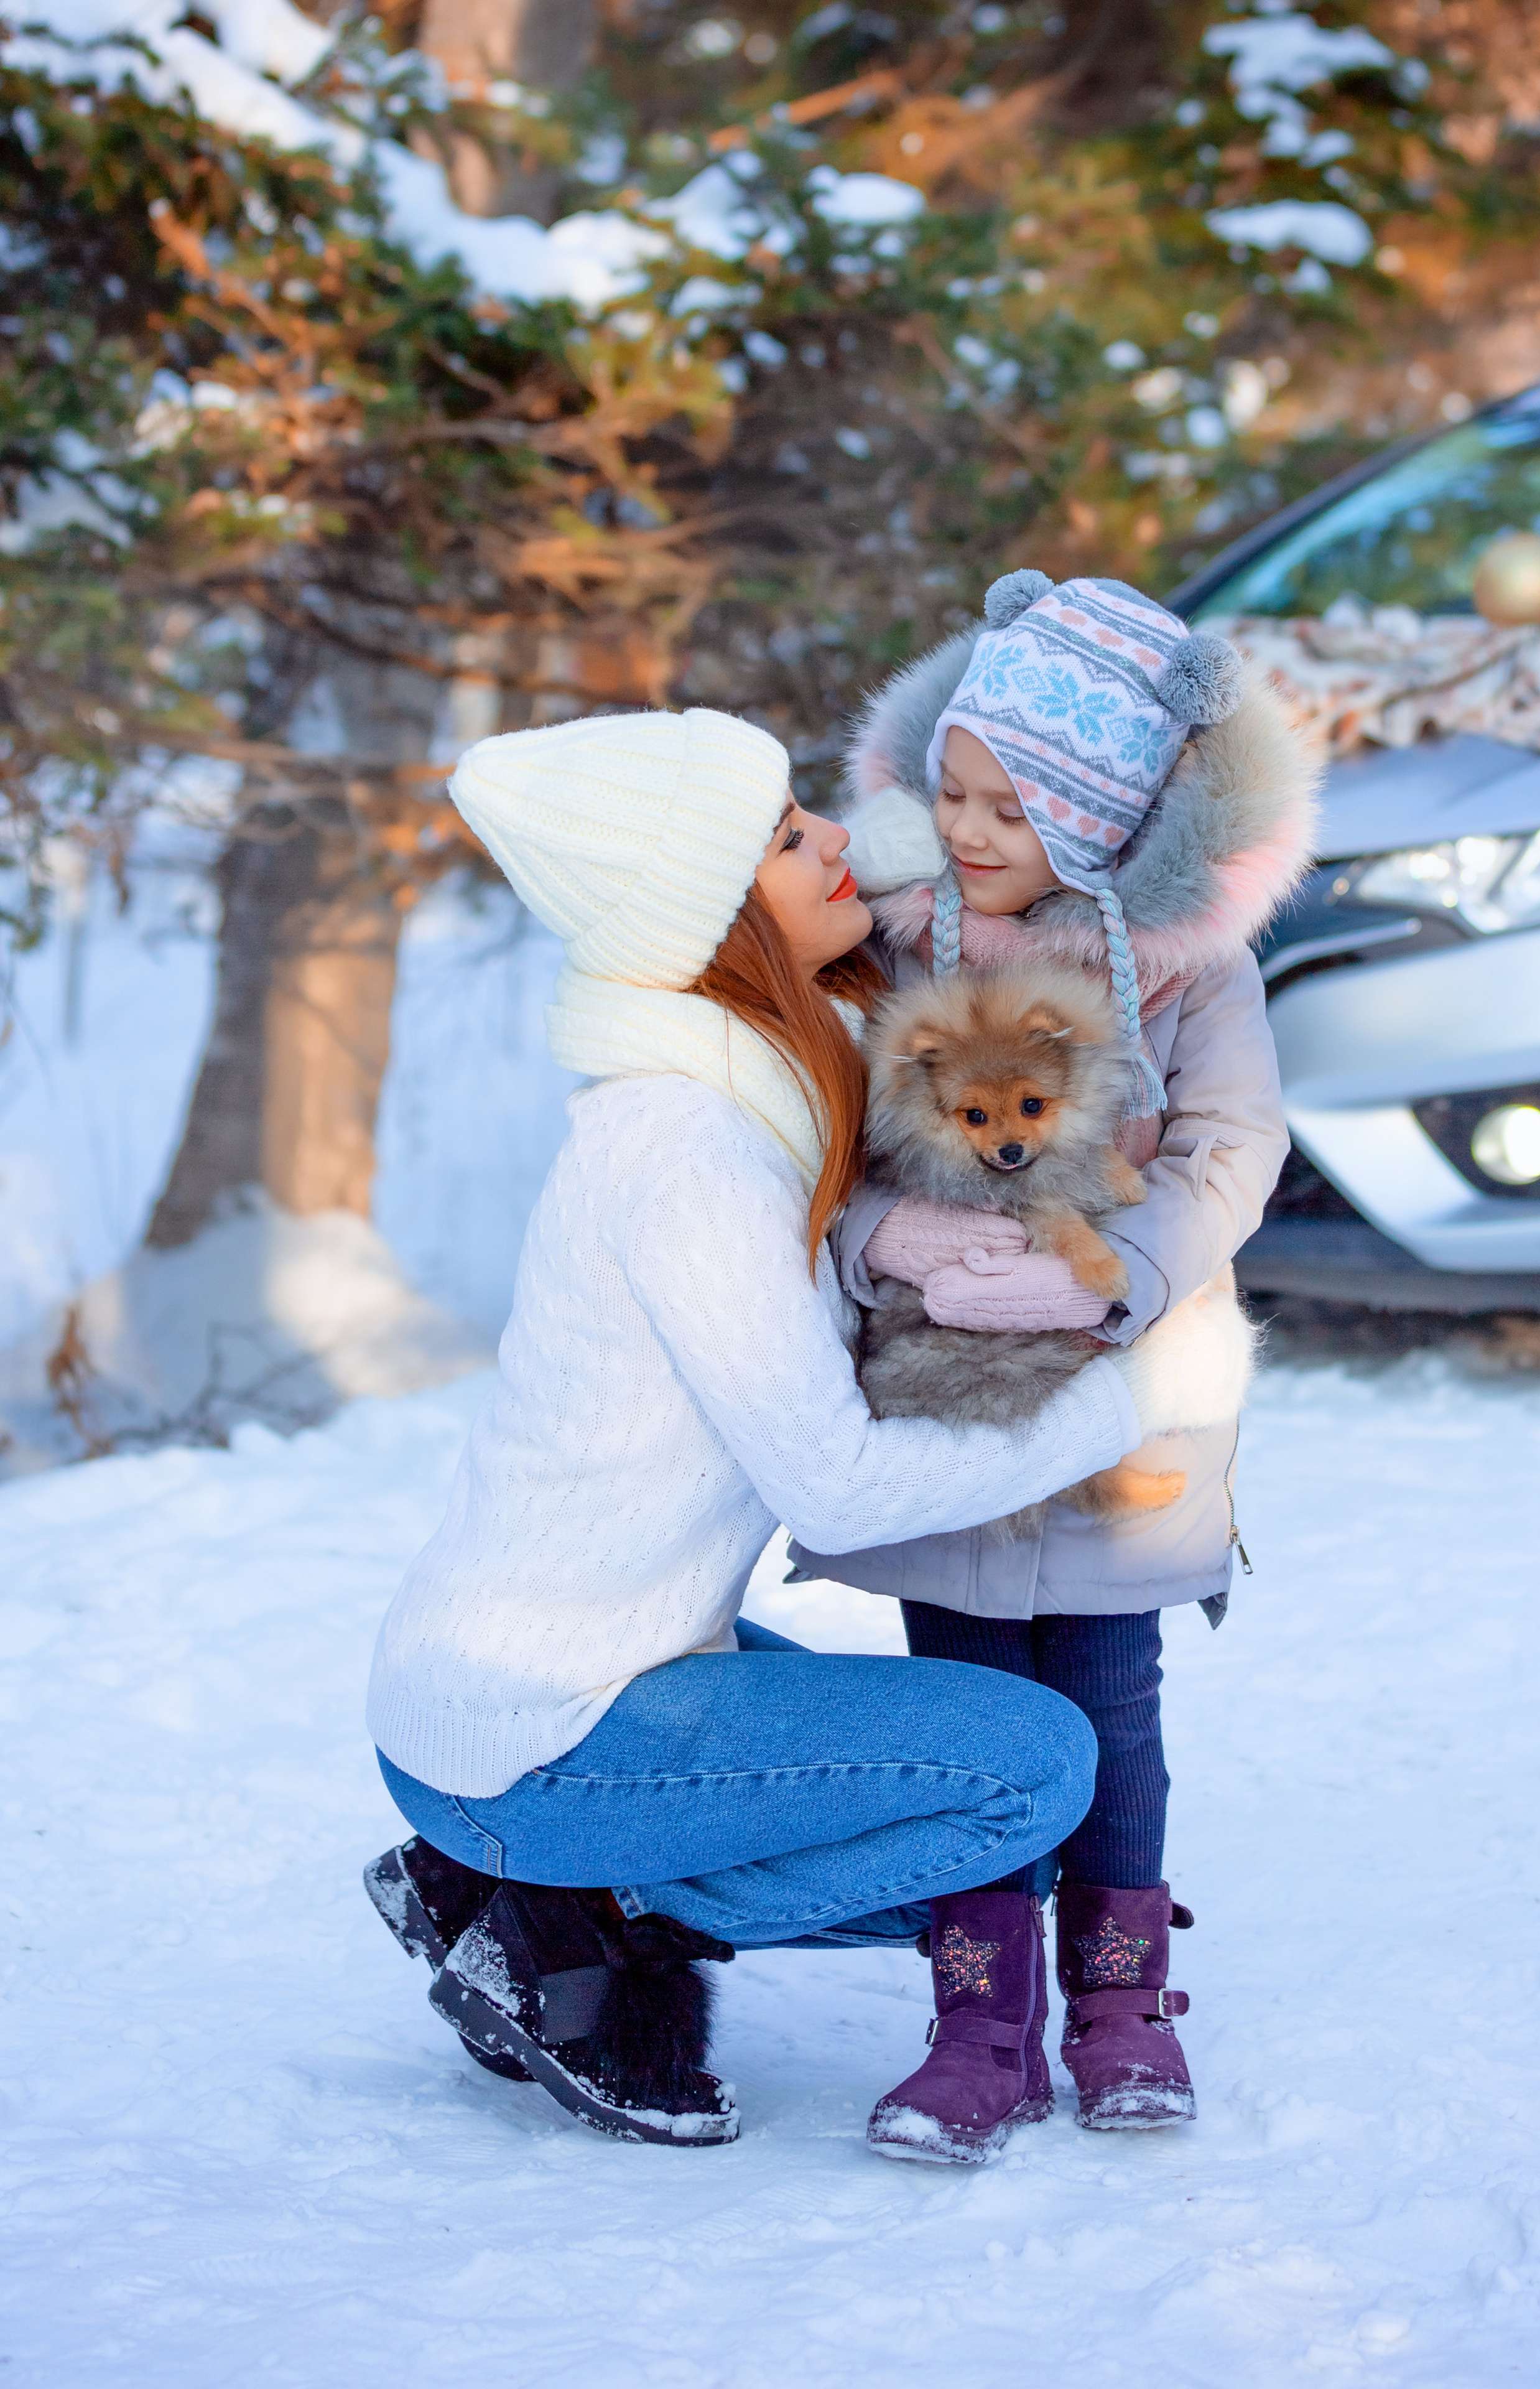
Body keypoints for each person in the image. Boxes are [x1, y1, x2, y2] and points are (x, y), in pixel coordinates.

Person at [363, 706, 1205, 2164]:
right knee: (1032, 1771)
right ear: (703, 906)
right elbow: (837, 1478)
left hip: (585, 1680)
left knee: (1022, 1833)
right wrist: (1114, 1410)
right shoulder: (685, 1146)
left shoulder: (743, 1091)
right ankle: (556, 1907)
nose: (834, 842)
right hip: (537, 1734)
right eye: (781, 837)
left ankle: (532, 1882)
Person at [791, 572, 1318, 2128]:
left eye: (1006, 814)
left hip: (1122, 1405)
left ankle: (1117, 2000)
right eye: (947, 793)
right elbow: (819, 1142)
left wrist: (1125, 1280)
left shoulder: (1188, 974)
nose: (961, 833)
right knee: (961, 1716)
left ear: (1103, 825)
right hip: (945, 1404)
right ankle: (979, 2024)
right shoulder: (888, 954)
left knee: (1108, 1700)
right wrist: (869, 1243)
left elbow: (1234, 1141)